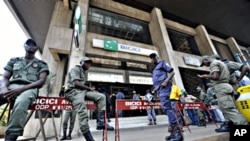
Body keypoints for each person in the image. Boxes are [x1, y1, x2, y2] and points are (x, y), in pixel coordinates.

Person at [0, 39, 49, 141]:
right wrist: (4, 89)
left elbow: (41, 81)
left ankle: (11, 137)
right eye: (28, 45)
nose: (31, 47)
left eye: (34, 45)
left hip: (29, 88)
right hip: (10, 87)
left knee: (21, 102)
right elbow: (5, 78)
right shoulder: (14, 60)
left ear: (36, 49)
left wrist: (21, 89)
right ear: (24, 46)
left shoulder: (41, 64)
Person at [64, 56, 114, 141]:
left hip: (82, 91)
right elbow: (76, 83)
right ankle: (89, 139)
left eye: (89, 63)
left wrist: (90, 90)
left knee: (102, 97)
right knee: (83, 111)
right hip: (73, 91)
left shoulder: (84, 72)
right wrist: (89, 88)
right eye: (86, 62)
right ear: (81, 62)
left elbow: (81, 86)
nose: (88, 64)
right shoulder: (75, 69)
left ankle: (101, 123)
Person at [198, 55, 248, 132]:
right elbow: (225, 78)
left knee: (229, 110)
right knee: (227, 109)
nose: (205, 65)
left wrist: (205, 76)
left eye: (204, 63)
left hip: (222, 89)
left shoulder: (214, 63)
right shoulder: (223, 64)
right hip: (226, 87)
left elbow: (216, 76)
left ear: (206, 59)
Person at [149, 52, 183, 141]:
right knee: (167, 110)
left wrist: (165, 81)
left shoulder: (162, 63)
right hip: (160, 90)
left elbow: (172, 73)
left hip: (165, 88)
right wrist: (155, 91)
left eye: (154, 57)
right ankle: (173, 132)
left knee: (168, 109)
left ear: (157, 57)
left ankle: (178, 133)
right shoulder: (154, 69)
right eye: (151, 58)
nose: (153, 59)